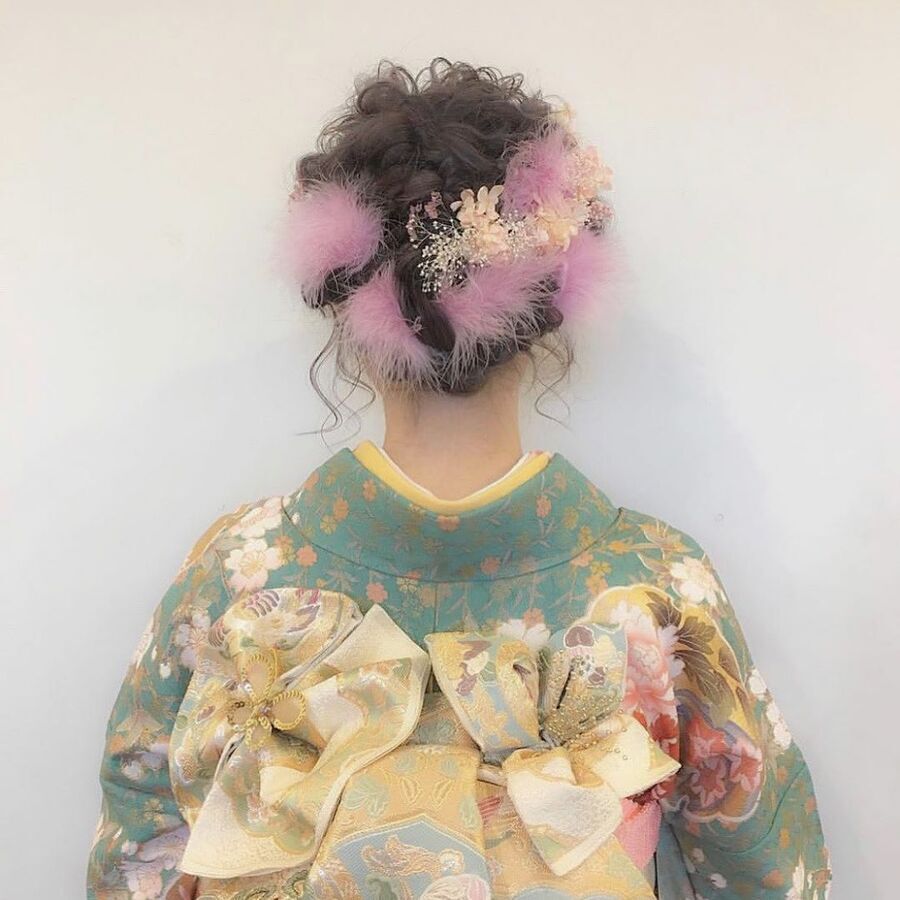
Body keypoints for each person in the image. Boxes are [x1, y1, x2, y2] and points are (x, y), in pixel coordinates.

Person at [86, 59, 831, 899]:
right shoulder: (656, 591)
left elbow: (137, 851)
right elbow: (768, 867)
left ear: (351, 309)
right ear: (546, 311)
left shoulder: (238, 575)